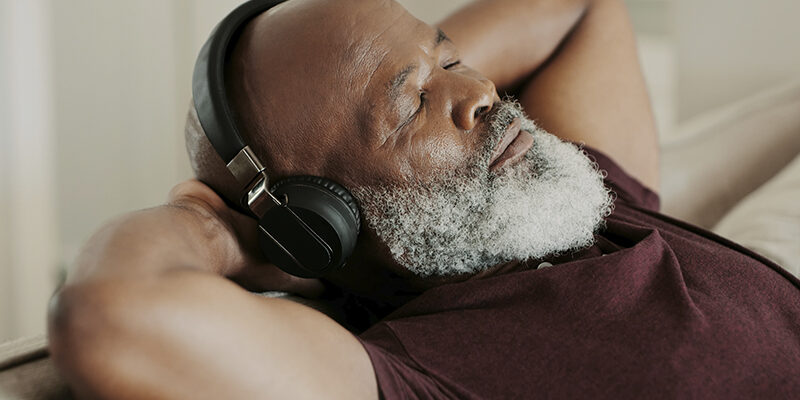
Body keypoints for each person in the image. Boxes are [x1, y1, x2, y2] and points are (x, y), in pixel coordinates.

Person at [48, 0, 800, 398]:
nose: (481, 91)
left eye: (456, 59)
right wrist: (217, 225)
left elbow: (579, 8)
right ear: (318, 226)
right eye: (408, 109)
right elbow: (112, 318)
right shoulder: (415, 373)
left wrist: (412, 69)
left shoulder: (570, 194)